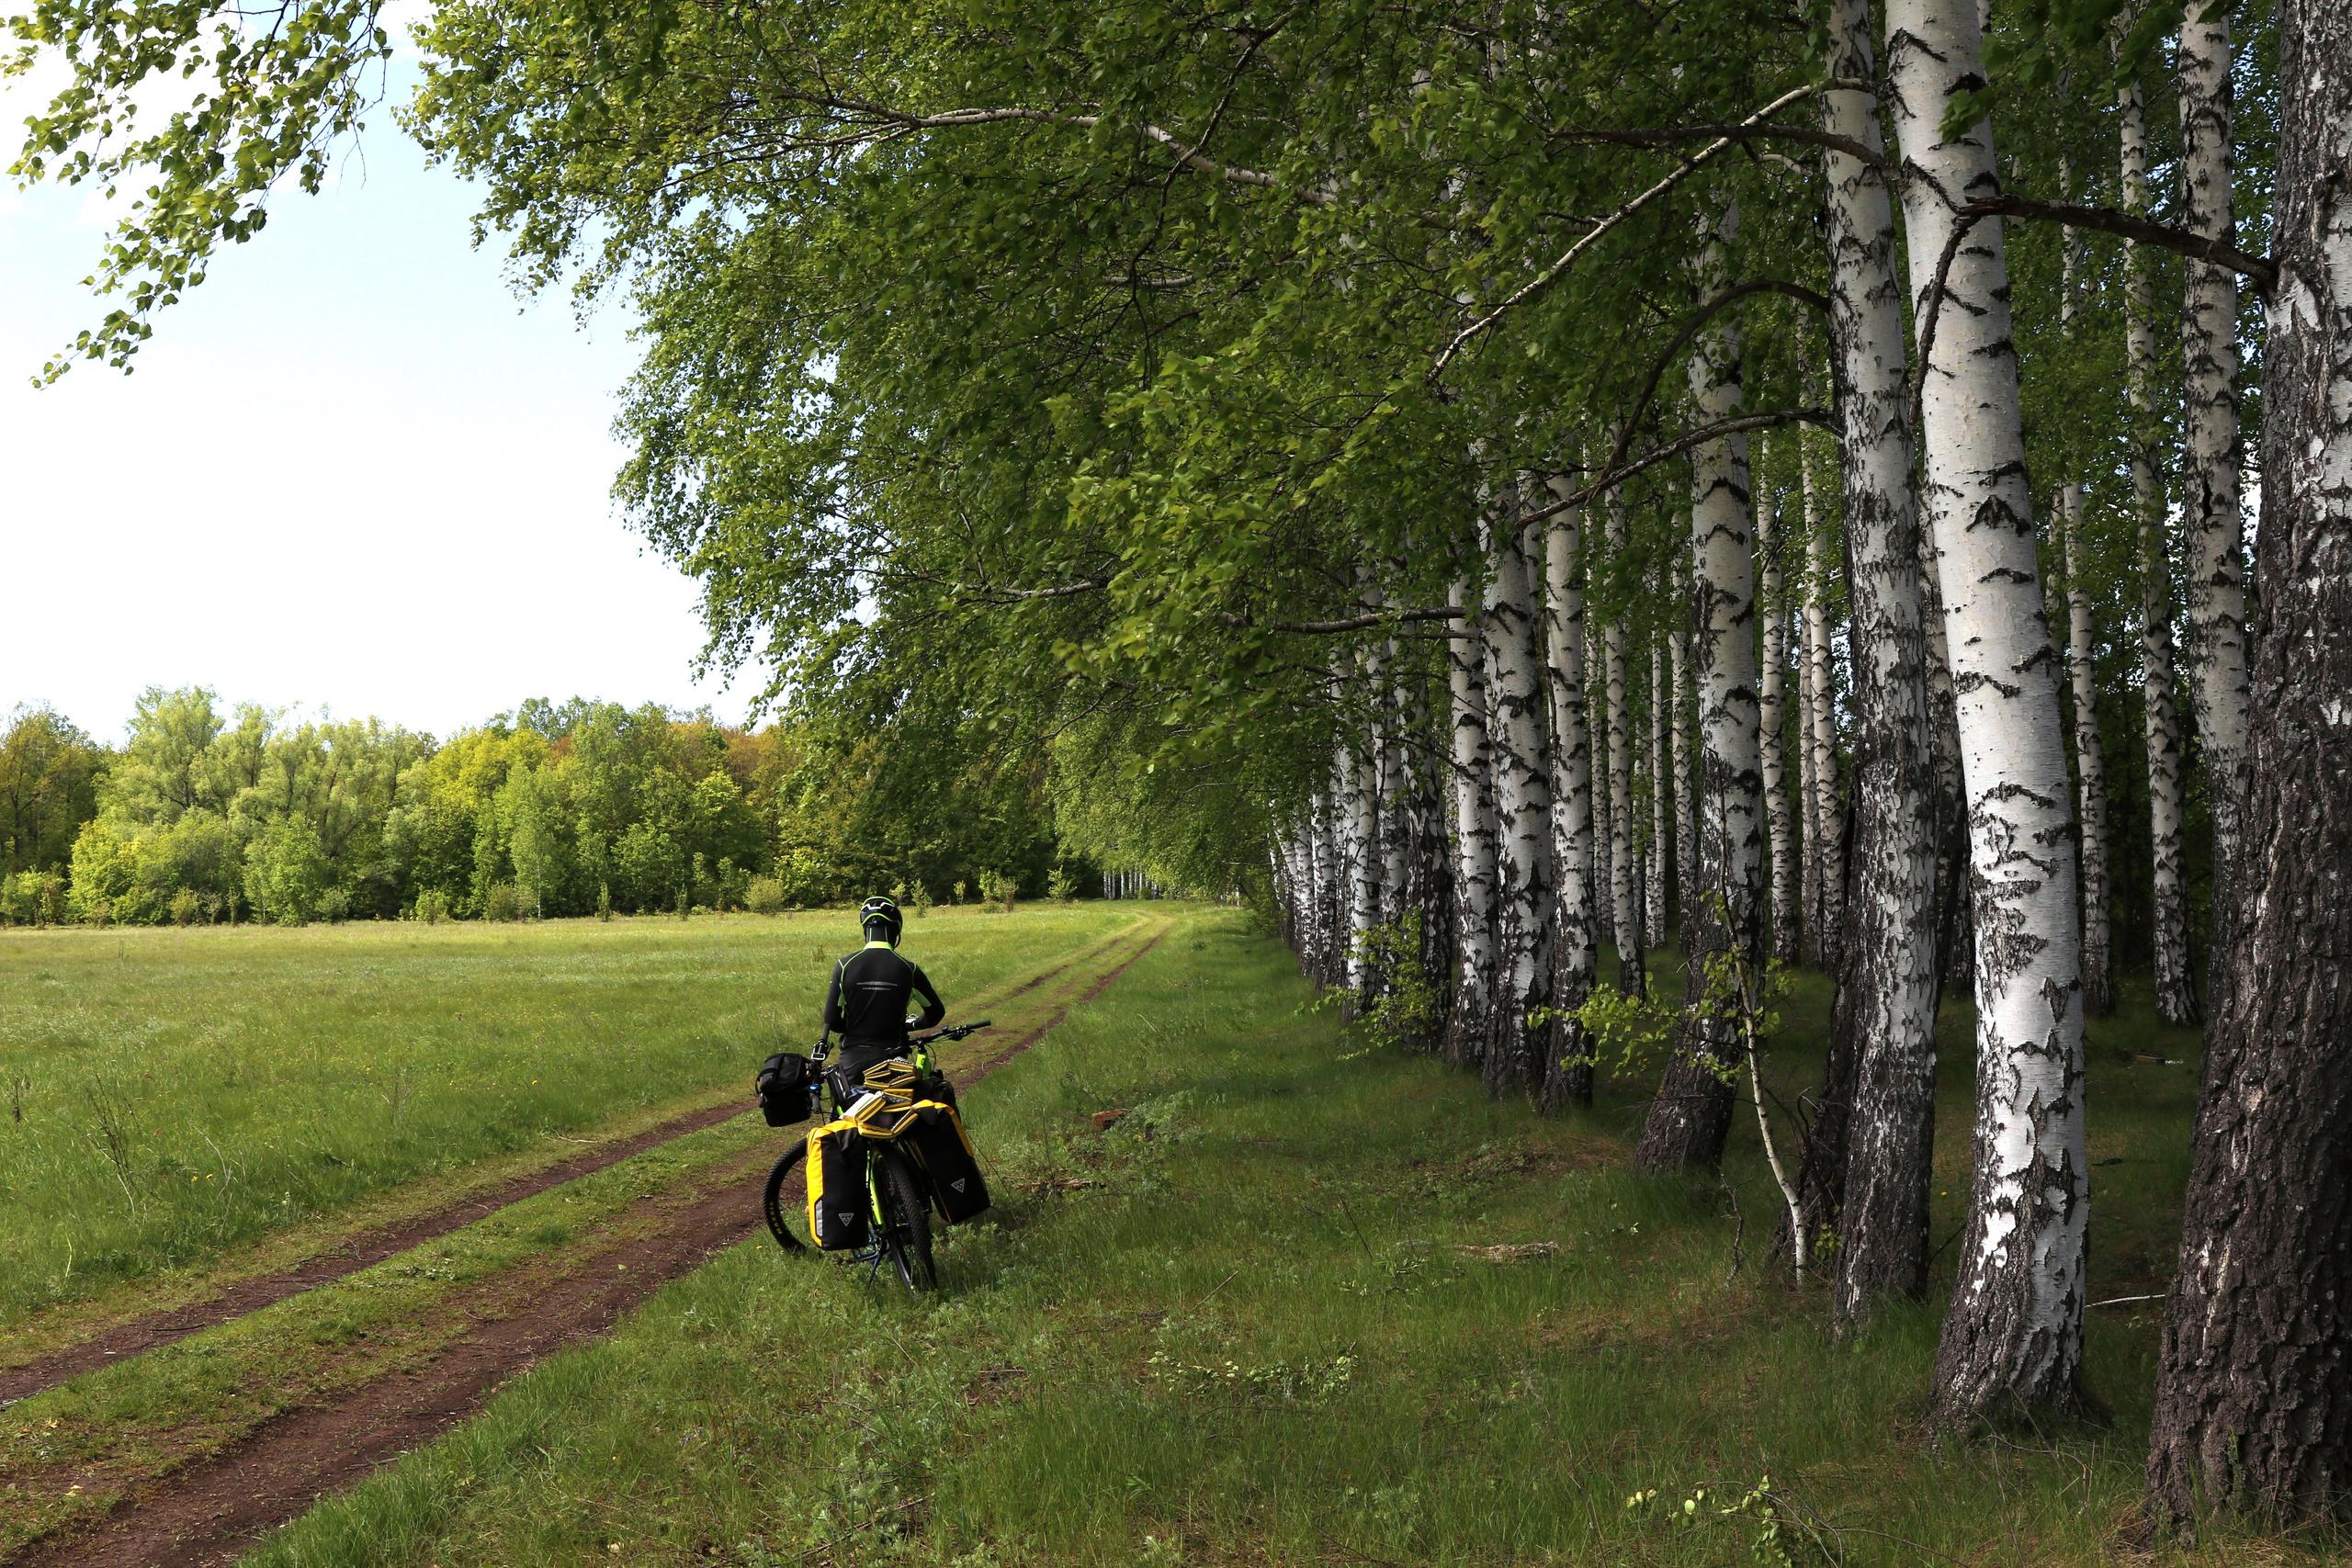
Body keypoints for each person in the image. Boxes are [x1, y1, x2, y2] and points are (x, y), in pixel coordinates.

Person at [822, 896, 946, 1088]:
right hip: (891, 1057)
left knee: (847, 1113)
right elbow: (936, 1013)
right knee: (896, 1113)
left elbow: (831, 1018)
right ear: (896, 931)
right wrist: (910, 1026)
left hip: (851, 1057)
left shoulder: (844, 965)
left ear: (865, 930)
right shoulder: (909, 969)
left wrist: (856, 1025)